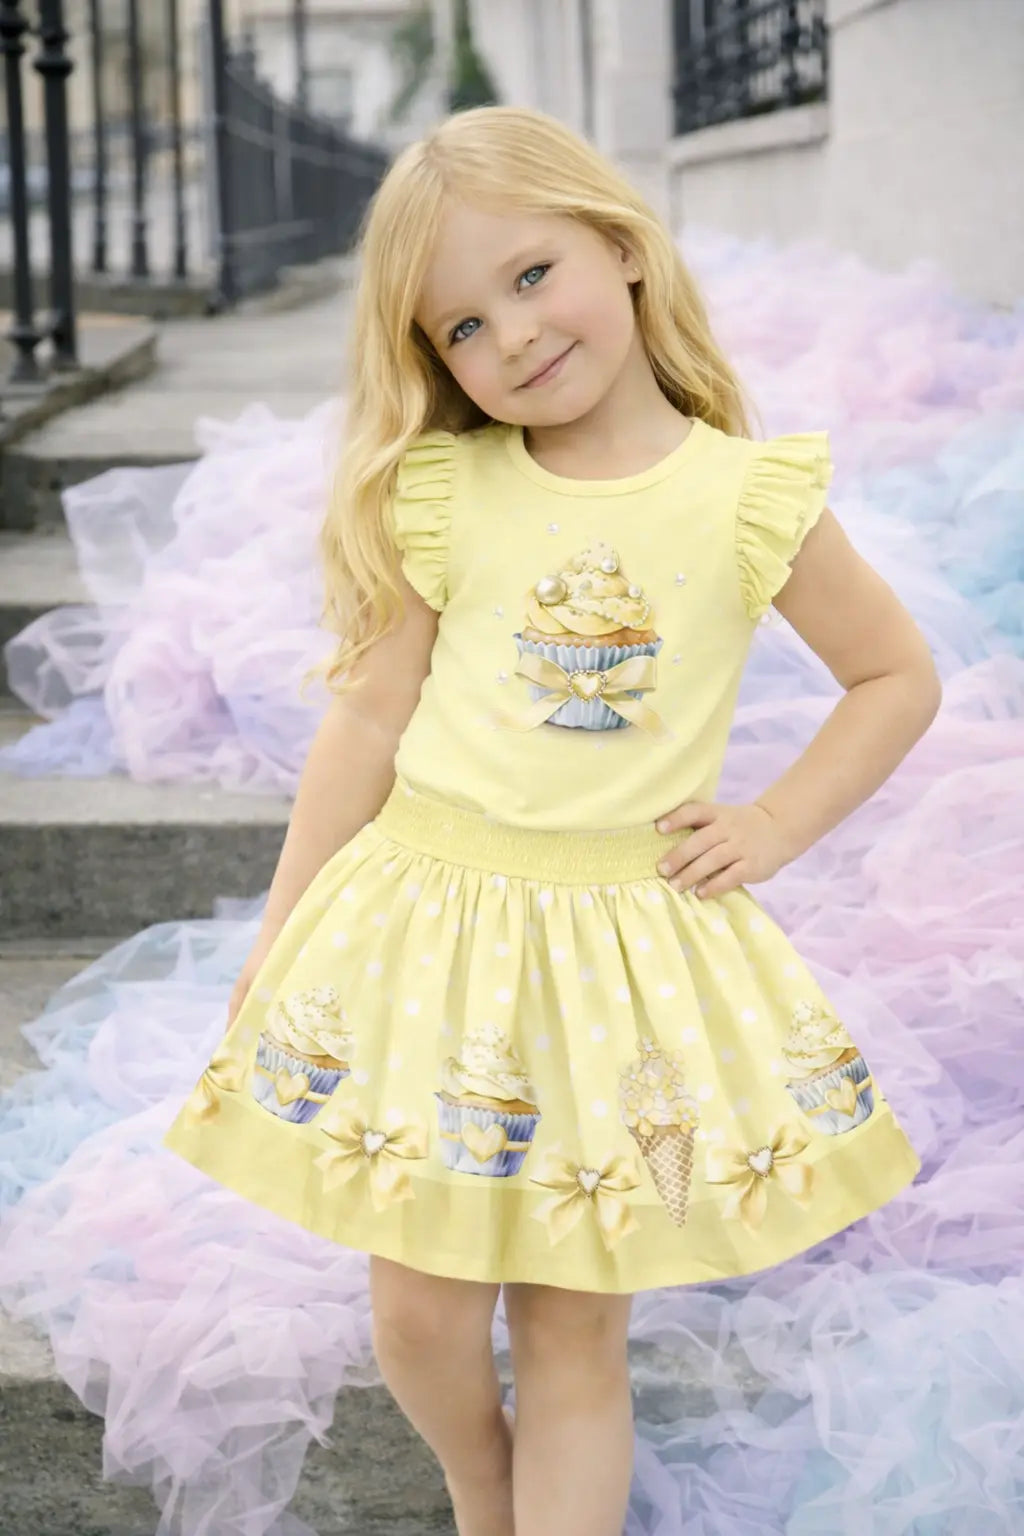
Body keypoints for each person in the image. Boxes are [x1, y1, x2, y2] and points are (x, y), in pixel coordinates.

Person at [163, 106, 940, 1536]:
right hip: (432, 932)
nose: (512, 336)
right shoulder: (448, 491)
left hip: (617, 965)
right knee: (419, 1312)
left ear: (622, 246)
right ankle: (484, 1482)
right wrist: (283, 932)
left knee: (574, 1324)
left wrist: (775, 822)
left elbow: (895, 677)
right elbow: (369, 722)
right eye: (463, 325)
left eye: (532, 276)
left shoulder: (746, 496)